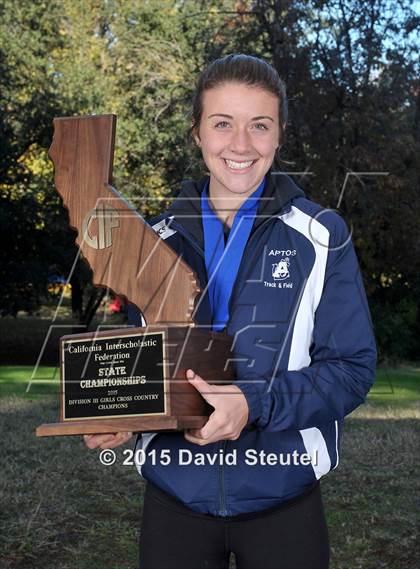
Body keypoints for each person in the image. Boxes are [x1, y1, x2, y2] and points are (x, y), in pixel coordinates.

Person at [85, 54, 377, 569]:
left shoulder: (322, 235)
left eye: (258, 126)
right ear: (197, 132)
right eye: (222, 124)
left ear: (279, 135)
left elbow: (351, 370)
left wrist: (252, 403)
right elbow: (145, 365)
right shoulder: (152, 240)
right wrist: (123, 416)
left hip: (283, 497)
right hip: (175, 499)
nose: (241, 145)